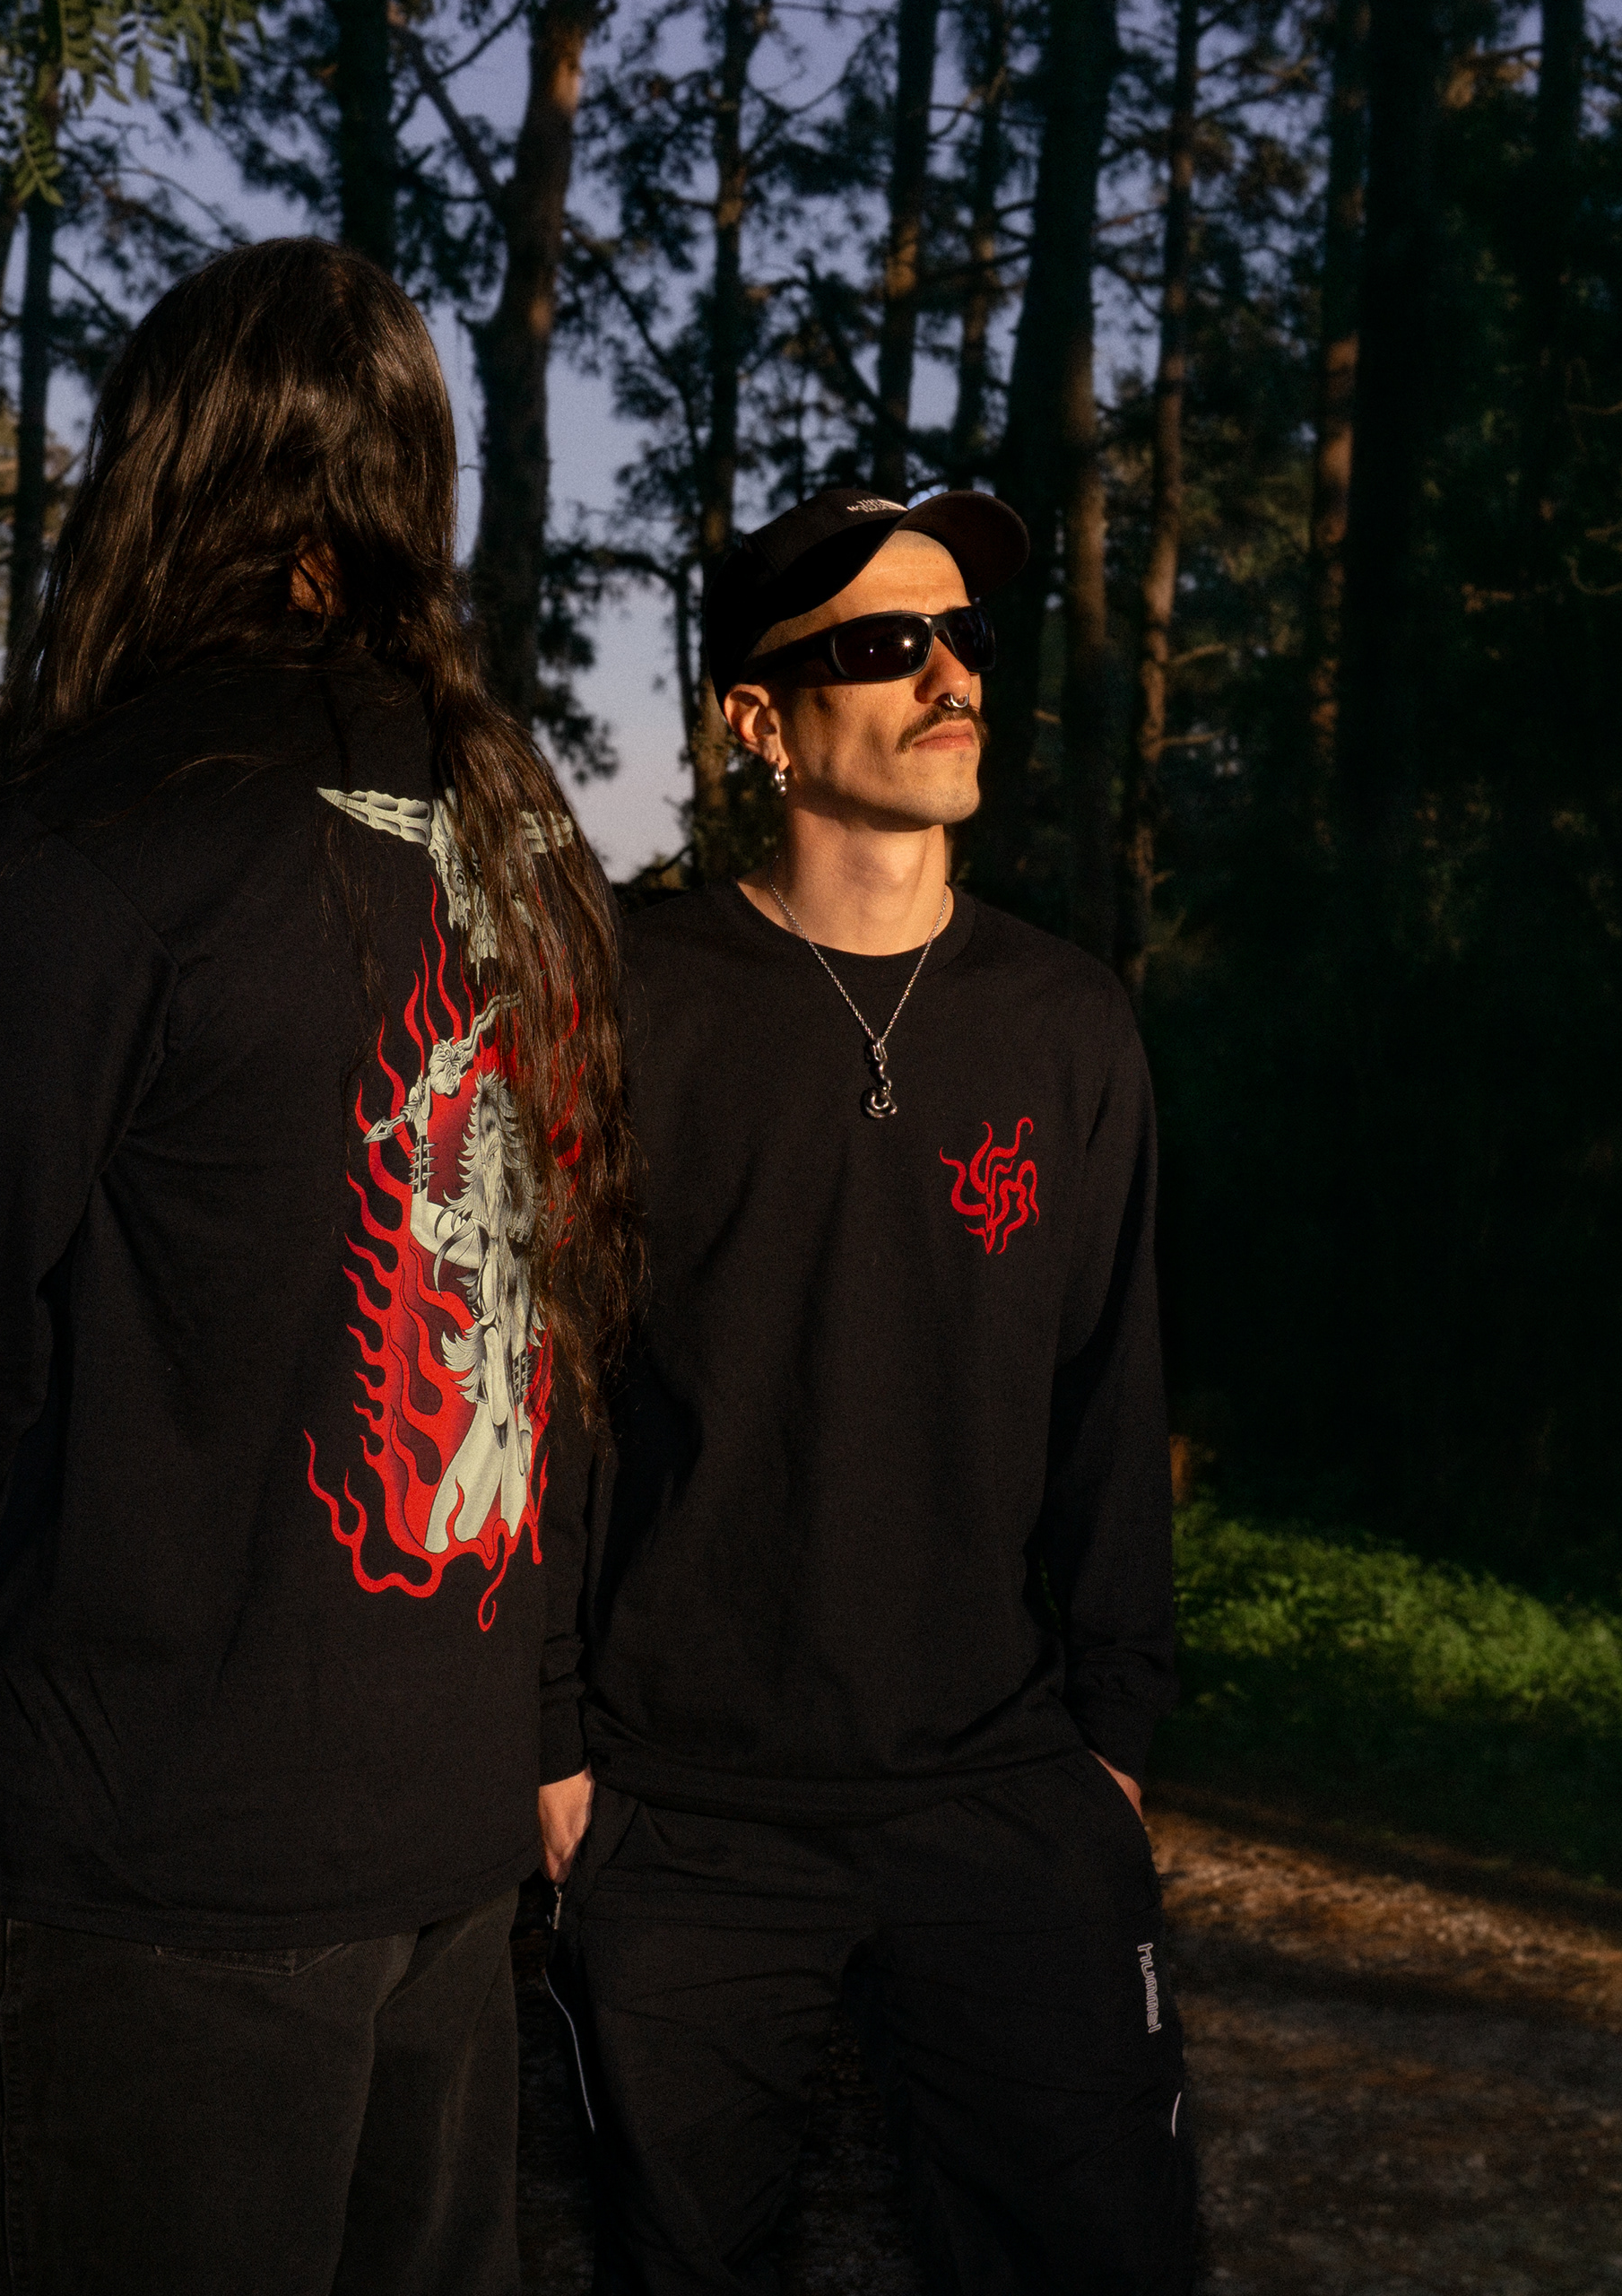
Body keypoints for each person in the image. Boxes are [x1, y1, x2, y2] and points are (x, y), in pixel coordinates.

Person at [0, 239, 638, 2296]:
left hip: (156, 1865)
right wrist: (547, 1701)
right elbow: (561, 1324)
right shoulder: (524, 834)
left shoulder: (109, 831)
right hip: (444, 1828)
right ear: (412, 481)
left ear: (162, 465)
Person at [544, 486, 1198, 2293]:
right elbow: (555, 1379)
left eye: (966, 634)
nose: (948, 675)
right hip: (685, 1803)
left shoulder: (1066, 1023)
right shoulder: (631, 997)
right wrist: (551, 1738)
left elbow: (1110, 1391)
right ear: (758, 719)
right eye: (884, 644)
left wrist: (1114, 1738)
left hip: (1002, 1780)